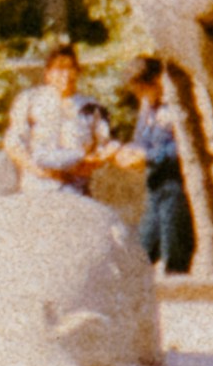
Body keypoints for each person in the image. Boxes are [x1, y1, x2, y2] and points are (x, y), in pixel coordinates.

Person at [11, 42, 114, 196]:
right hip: (35, 189)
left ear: (78, 71)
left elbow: (105, 147)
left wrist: (84, 167)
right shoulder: (29, 100)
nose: (65, 75)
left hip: (75, 189)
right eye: (59, 69)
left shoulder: (92, 107)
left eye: (70, 68)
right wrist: (41, 172)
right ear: (48, 73)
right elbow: (13, 143)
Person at [126, 62, 196, 275]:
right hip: (155, 186)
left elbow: (183, 148)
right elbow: (141, 141)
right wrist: (128, 152)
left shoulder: (174, 106)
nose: (141, 95)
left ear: (156, 82)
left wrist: (148, 156)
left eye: (143, 89)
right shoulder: (147, 109)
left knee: (174, 246)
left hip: (175, 185)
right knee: (142, 248)